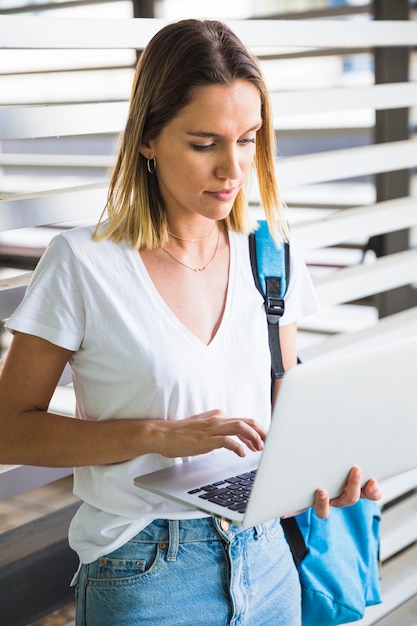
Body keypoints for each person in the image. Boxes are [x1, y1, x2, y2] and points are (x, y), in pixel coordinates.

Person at [0, 19, 380, 626]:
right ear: (148, 139)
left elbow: (284, 412)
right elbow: (9, 432)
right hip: (146, 569)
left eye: (249, 139)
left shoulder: (271, 254)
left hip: (266, 554)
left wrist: (325, 472)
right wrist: (155, 435)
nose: (233, 169)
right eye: (205, 144)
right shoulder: (83, 263)